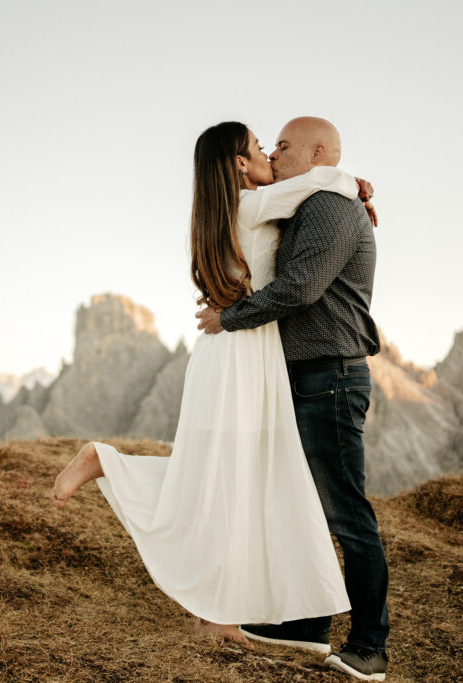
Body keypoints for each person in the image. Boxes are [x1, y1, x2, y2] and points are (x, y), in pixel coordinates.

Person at [53, 121, 373, 644]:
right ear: (240, 165)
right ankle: (107, 463)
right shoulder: (252, 207)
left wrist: (353, 189)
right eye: (258, 147)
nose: (269, 151)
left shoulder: (222, 212)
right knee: (233, 480)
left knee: (219, 478)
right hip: (243, 353)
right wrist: (355, 184)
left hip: (230, 351)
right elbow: (322, 182)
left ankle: (214, 616)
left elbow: (314, 189)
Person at [197, 116, 390, 681]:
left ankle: (370, 646)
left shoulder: (330, 206)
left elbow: (301, 287)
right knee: (301, 505)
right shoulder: (309, 200)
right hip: (302, 376)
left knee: (348, 514)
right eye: (270, 146)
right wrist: (356, 183)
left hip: (328, 377)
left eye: (283, 145)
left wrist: (230, 319)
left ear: (318, 154)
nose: (274, 154)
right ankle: (306, 626)